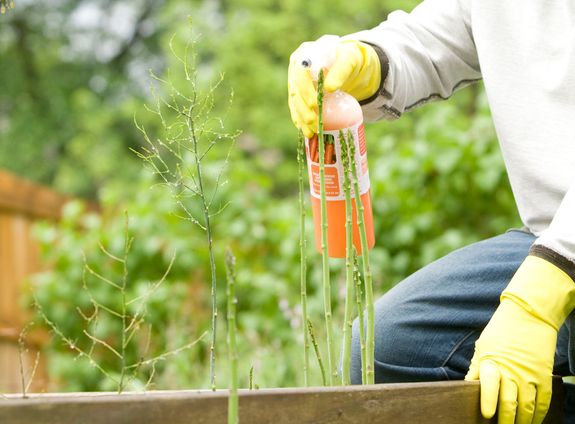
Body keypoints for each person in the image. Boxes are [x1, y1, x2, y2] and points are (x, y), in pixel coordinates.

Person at [287, 1, 575, 423]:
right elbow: (433, 38)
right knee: (389, 351)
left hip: (560, 257)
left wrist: (538, 298)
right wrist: (362, 61)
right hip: (553, 242)